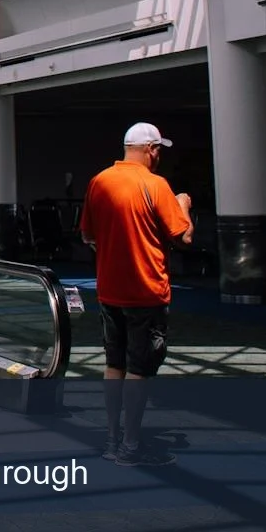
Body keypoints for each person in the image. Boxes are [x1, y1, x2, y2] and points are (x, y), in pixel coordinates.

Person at [80, 123, 192, 468]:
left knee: (114, 364)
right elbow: (183, 237)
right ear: (151, 150)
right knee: (139, 369)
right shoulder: (155, 185)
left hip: (109, 291)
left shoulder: (99, 182)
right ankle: (131, 446)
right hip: (145, 292)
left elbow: (88, 236)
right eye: (159, 150)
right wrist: (183, 205)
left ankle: (112, 439)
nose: (159, 156)